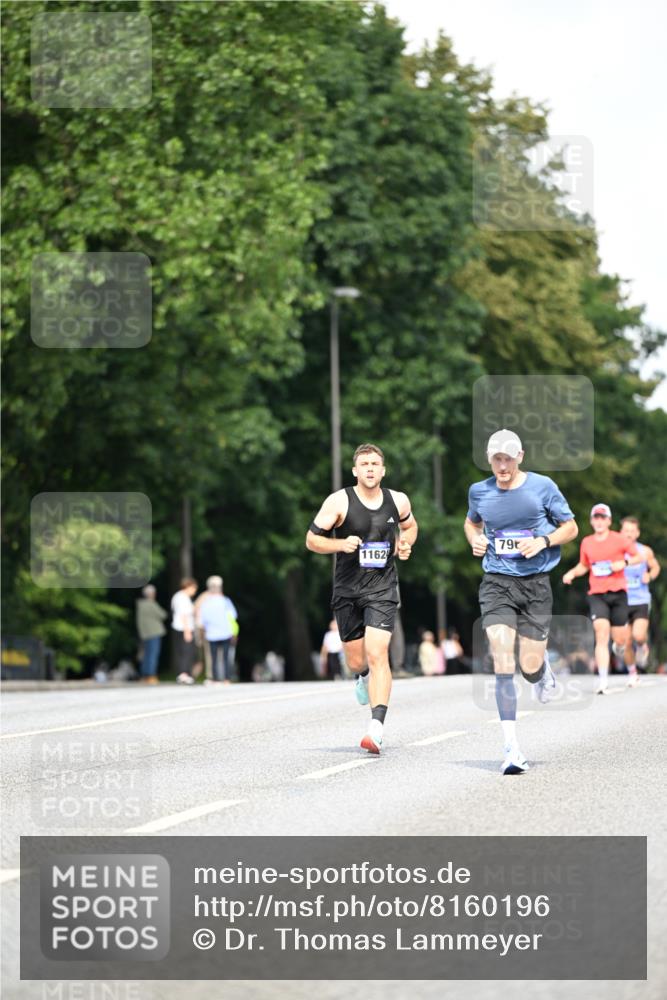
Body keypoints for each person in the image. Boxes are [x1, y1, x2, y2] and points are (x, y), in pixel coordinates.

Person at [464, 429, 578, 775]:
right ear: (489, 459)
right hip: (497, 583)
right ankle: (511, 747)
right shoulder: (479, 491)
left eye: (508, 459)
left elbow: (571, 527)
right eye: (496, 459)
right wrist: (477, 540)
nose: (502, 465)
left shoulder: (542, 487)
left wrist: (543, 541)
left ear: (520, 457)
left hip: (536, 585)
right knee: (501, 658)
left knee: (528, 666)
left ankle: (541, 672)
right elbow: (471, 524)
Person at [306, 443, 418, 754]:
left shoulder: (398, 500)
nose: (370, 468)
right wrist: (340, 545)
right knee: (358, 660)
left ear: (383, 470)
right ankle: (362, 677)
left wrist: (405, 543)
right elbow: (312, 540)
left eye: (375, 463)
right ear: (355, 471)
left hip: (382, 590)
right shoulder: (339, 501)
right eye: (364, 464)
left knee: (378, 652)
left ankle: (376, 728)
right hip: (347, 591)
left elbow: (410, 527)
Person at [562, 504, 639, 694]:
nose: (599, 521)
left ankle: (625, 657)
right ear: (591, 521)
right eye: (595, 517)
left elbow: (639, 557)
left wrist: (625, 562)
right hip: (597, 594)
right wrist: (572, 573)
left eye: (602, 517)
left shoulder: (619, 539)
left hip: (619, 593)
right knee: (601, 634)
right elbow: (584, 565)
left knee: (620, 639)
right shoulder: (587, 542)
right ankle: (603, 680)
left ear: (609, 521)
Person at [620, 516, 660, 683]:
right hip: (621, 600)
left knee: (638, 636)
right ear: (621, 532)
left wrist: (649, 575)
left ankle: (643, 645)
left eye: (632, 531)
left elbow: (656, 566)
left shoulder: (645, 551)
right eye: (626, 530)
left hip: (640, 600)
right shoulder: (615, 551)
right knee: (626, 641)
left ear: (637, 533)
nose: (628, 534)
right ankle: (632, 673)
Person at [198, 575, 238, 684]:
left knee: (213, 658)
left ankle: (215, 679)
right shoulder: (225, 601)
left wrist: (202, 635)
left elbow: (202, 622)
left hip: (211, 634)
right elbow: (233, 617)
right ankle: (226, 678)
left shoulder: (205, 603)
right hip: (225, 633)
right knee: (225, 658)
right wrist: (234, 633)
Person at [135, 584, 168, 683]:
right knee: (153, 655)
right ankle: (151, 675)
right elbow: (163, 615)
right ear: (151, 594)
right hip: (154, 632)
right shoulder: (151, 604)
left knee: (145, 655)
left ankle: (144, 675)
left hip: (144, 633)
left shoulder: (140, 605)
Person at [171, 577, 198, 684]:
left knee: (182, 652)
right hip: (184, 628)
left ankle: (182, 673)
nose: (194, 591)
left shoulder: (177, 596)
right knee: (187, 652)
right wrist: (187, 631)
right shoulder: (183, 597)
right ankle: (184, 673)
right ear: (188, 586)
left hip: (178, 627)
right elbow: (184, 615)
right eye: (194, 588)